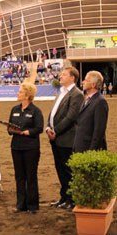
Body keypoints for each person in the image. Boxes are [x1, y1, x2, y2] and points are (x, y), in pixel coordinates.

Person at [46, 66, 84, 210]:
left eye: (63, 74)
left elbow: (71, 117)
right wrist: (48, 127)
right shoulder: (61, 92)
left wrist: (55, 131)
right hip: (56, 138)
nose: (60, 76)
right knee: (60, 169)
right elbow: (52, 113)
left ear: (72, 78)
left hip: (67, 139)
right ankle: (64, 197)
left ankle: (72, 199)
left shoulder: (77, 94)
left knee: (68, 171)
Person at [7, 82, 44, 214]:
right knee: (19, 176)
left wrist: (29, 132)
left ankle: (33, 206)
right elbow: (9, 127)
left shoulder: (36, 111)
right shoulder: (14, 109)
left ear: (27, 95)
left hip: (31, 148)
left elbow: (39, 128)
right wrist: (11, 130)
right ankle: (20, 205)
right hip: (16, 147)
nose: (18, 93)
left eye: (20, 92)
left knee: (31, 176)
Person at [73, 71, 109, 153]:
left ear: (93, 84)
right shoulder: (87, 99)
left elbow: (98, 131)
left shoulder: (100, 102)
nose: (83, 82)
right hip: (80, 147)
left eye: (86, 80)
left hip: (89, 150)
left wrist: (91, 152)